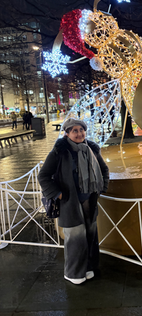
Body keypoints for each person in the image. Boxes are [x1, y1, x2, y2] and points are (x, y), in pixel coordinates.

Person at [38, 118, 109, 285]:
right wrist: (58, 194)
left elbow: (104, 169)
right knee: (75, 238)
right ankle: (74, 273)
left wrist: (102, 187)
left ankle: (89, 267)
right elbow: (43, 176)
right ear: (67, 133)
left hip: (89, 201)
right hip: (70, 202)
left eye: (82, 130)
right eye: (75, 131)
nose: (79, 134)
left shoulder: (91, 148)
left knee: (91, 235)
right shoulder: (59, 151)